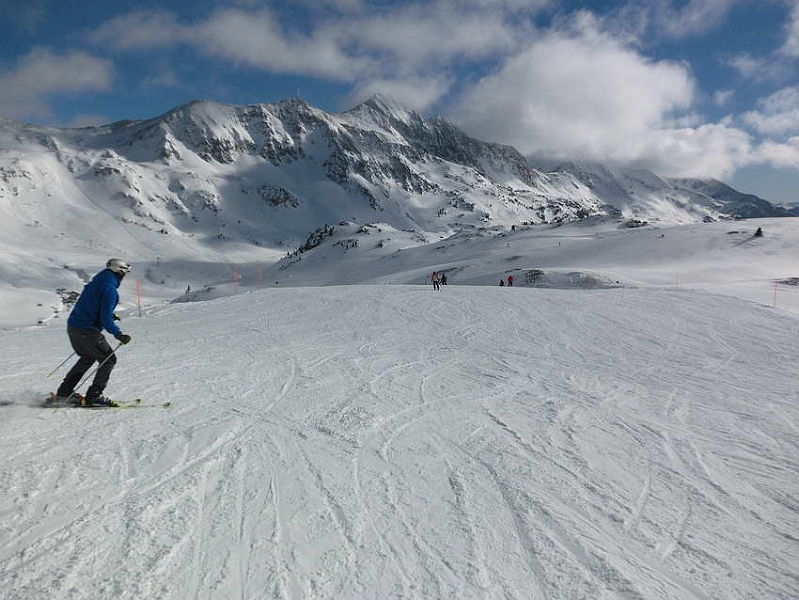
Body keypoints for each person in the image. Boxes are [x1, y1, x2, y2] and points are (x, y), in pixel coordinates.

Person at [55, 258, 133, 406]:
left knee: (87, 358)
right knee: (109, 360)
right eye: (124, 273)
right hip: (88, 330)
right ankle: (94, 397)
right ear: (119, 272)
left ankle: (64, 393)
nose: (124, 277)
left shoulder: (94, 284)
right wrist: (118, 334)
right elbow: (104, 317)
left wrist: (109, 315)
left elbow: (92, 305)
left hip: (74, 327)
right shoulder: (110, 290)